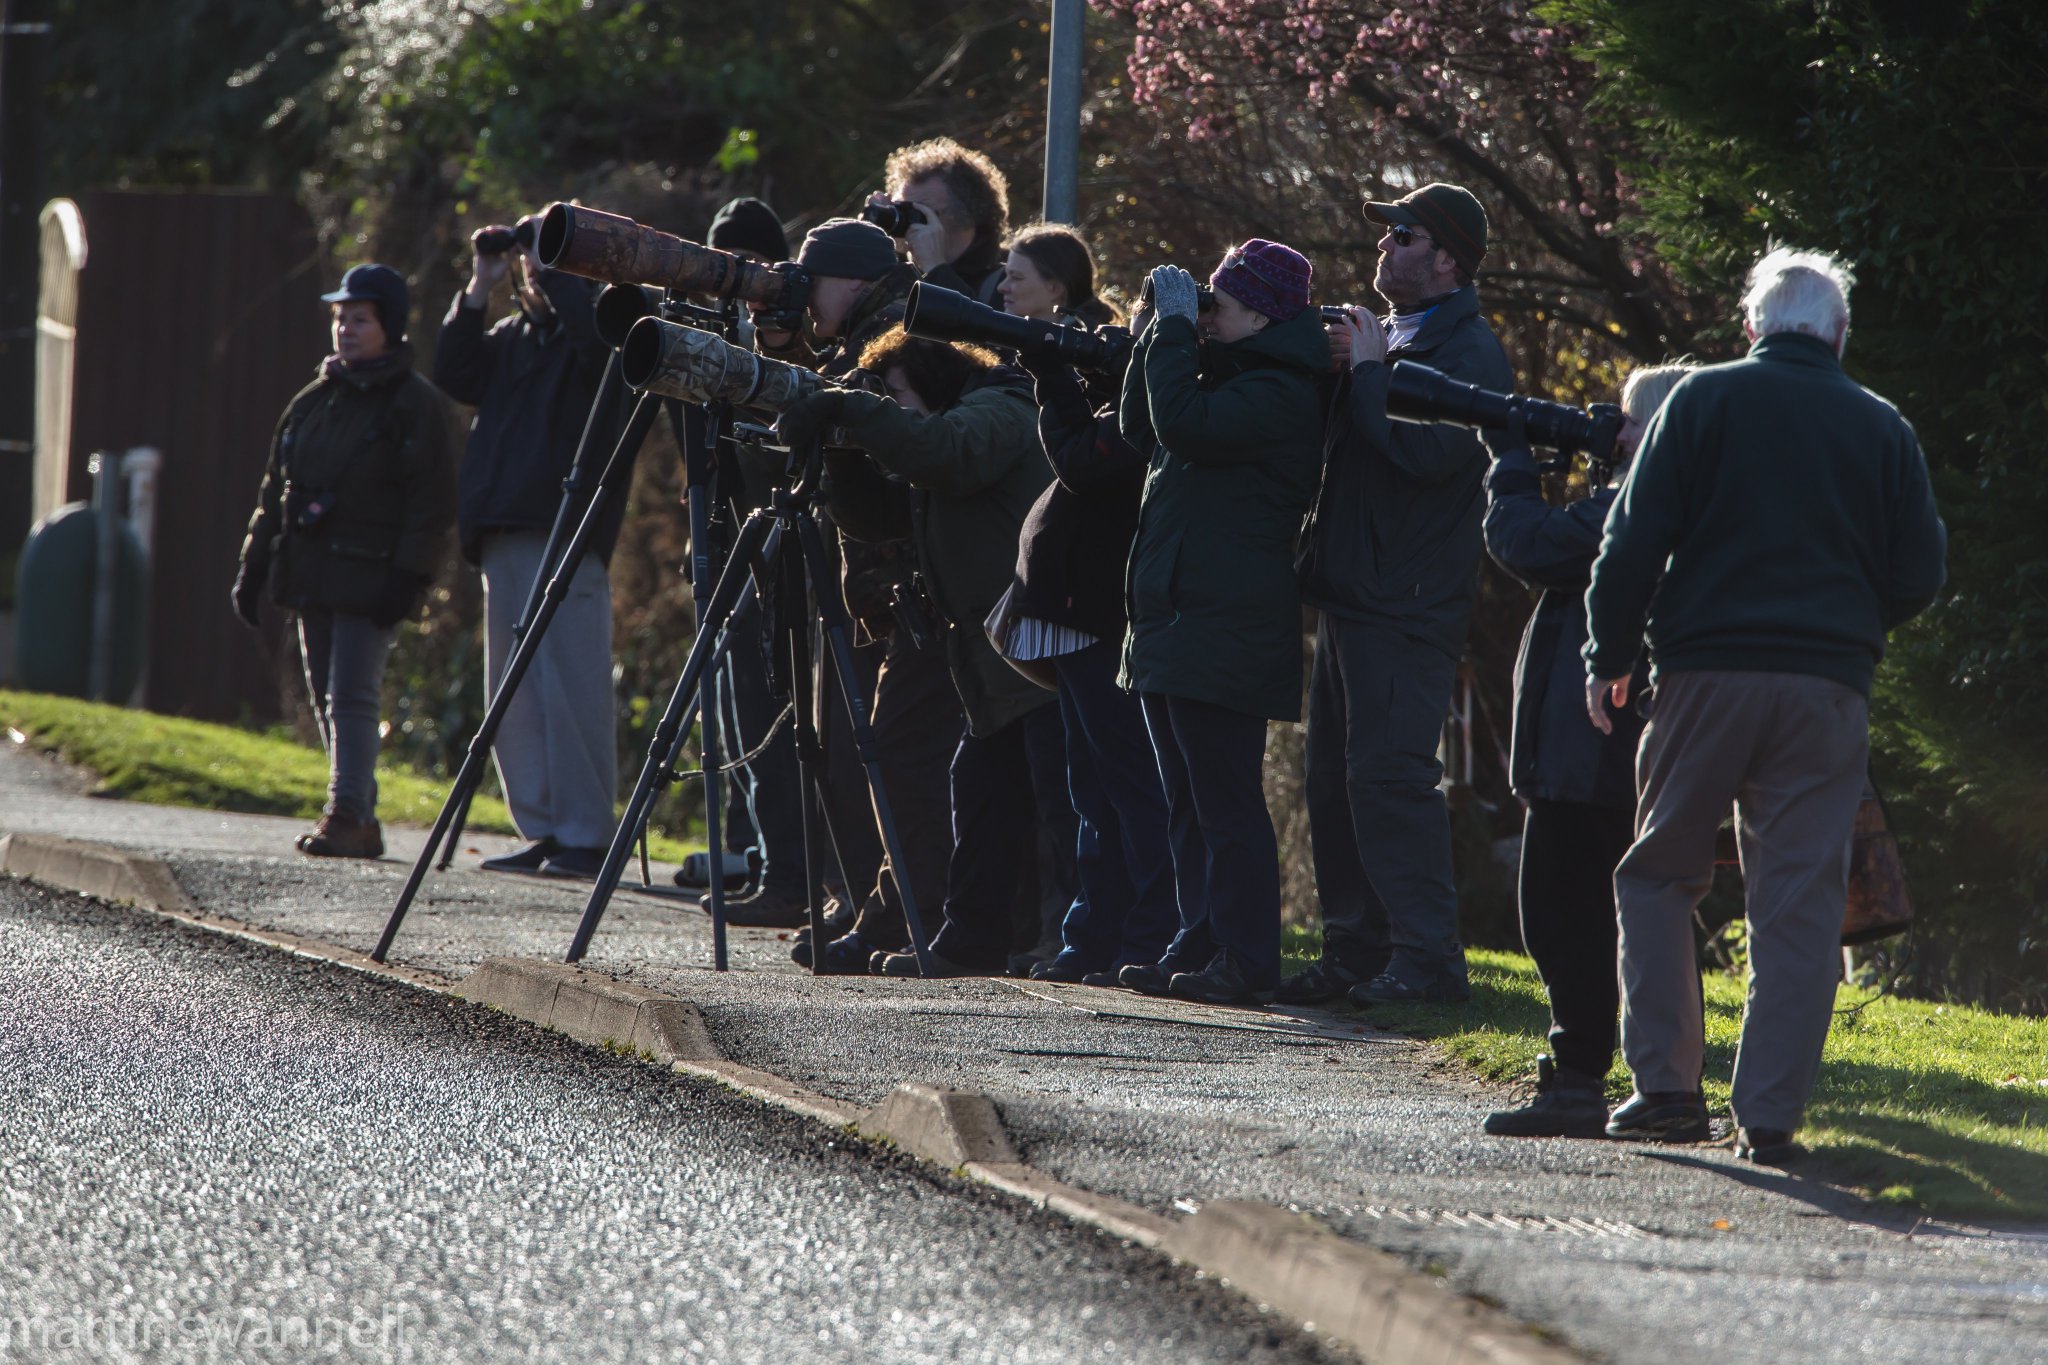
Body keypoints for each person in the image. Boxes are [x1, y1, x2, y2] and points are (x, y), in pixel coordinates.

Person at [1584, 248, 1946, 1163]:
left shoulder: (1702, 401)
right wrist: (1852, 628)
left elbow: (1632, 539)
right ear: (1839, 332)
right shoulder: (1883, 427)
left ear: (1751, 326)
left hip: (1705, 672)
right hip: (1827, 688)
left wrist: (1610, 653)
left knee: (1661, 874)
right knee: (1798, 902)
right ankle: (1771, 1114)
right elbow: (1919, 574)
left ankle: (1666, 1088)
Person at [1289, 182, 1514, 1008]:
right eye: (1386, 233)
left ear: (1449, 258)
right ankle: (1355, 952)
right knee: (1332, 781)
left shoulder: (1473, 353)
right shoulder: (1388, 336)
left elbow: (1426, 459)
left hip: (1407, 602)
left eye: (1404, 234)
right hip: (1352, 591)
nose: (1385, 245)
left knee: (1390, 780)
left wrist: (1374, 373)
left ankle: (1427, 960)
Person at [778, 329, 1054, 978]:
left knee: (1045, 806)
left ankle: (1044, 942)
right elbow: (881, 518)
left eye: (897, 392)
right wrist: (844, 451)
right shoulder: (952, 424)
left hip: (1032, 654)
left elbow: (941, 454)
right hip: (993, 654)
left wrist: (851, 407)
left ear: (934, 377)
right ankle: (967, 941)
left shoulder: (999, 409)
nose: (892, 406)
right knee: (978, 790)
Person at [1475, 362, 1693, 1137]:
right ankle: (1589, 1076)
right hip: (1587, 748)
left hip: (1592, 751)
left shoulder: (1640, 505)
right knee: (1574, 915)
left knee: (1565, 915)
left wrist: (1509, 460)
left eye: (1629, 419)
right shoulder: (1652, 499)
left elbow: (1527, 542)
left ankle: (1577, 1082)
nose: (1614, 429)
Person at [1115, 240, 1328, 1008]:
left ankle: (1246, 959)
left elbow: (1183, 426)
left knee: (1226, 801)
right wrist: (1155, 331)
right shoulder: (1229, 372)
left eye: (1220, 308)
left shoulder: (1281, 391)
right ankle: (1200, 936)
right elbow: (1140, 425)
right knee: (1187, 799)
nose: (1207, 319)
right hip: (1180, 614)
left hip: (1225, 622)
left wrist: (1176, 334)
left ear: (1265, 316)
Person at [757, 219, 967, 958]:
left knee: (884, 758)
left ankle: (897, 908)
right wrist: (785, 353)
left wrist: (818, 390)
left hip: (903, 586)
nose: (799, 296)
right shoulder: (861, 335)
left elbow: (879, 443)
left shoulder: (898, 335)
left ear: (847, 281)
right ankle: (874, 903)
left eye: (809, 283)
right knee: (861, 754)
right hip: (881, 586)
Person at [991, 227, 1177, 984]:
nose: (1125, 335)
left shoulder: (1153, 392)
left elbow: (1086, 465)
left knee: (1126, 785)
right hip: (1076, 614)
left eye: (1139, 326)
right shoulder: (1126, 381)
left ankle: (1140, 937)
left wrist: (1054, 372)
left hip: (1100, 612)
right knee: (1091, 787)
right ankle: (1094, 938)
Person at [231, 264, 458, 858]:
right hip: (311, 576)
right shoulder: (313, 401)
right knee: (328, 698)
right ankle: (358, 813)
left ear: (389, 326)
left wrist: (408, 578)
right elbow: (274, 490)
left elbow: (431, 503)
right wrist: (253, 568)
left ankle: (348, 813)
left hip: (372, 577)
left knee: (352, 697)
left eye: (360, 319)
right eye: (340, 318)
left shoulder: (416, 404)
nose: (346, 330)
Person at [433, 215, 629, 881]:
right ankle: (544, 826)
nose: (532, 272)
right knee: (513, 696)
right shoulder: (511, 339)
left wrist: (563, 270)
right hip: (505, 533)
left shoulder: (600, 328)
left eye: (545, 260)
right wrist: (482, 280)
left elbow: (600, 352)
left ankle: (586, 832)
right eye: (527, 262)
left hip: (569, 531)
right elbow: (452, 371)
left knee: (571, 685)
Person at [868, 137, 1011, 306]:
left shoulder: (1011, 278)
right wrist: (870, 241)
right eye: (900, 209)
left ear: (967, 216)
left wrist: (935, 267)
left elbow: (980, 329)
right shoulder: (897, 273)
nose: (906, 221)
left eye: (919, 211)